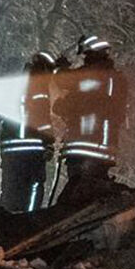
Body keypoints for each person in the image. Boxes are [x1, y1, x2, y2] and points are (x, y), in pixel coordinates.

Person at [54, 34, 127, 207]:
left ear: (91, 53)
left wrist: (61, 67)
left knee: (79, 196)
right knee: (94, 193)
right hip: (104, 148)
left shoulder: (92, 75)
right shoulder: (114, 78)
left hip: (85, 147)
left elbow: (65, 81)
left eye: (85, 56)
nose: (84, 60)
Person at [0, 51, 60, 213]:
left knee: (11, 190)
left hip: (10, 151)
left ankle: (4, 225)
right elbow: (42, 119)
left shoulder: (17, 84)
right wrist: (49, 144)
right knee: (34, 187)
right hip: (30, 150)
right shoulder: (38, 86)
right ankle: (29, 222)